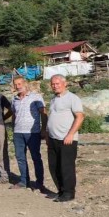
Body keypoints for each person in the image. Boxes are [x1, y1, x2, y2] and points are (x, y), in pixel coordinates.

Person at [47, 74, 84, 202]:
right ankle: (61, 191)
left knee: (66, 167)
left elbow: (80, 117)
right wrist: (47, 134)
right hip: (53, 138)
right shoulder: (53, 99)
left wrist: (71, 134)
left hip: (66, 138)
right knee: (54, 166)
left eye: (57, 83)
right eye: (53, 84)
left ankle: (69, 193)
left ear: (65, 83)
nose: (55, 86)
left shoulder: (72, 98)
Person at [11, 77, 48, 191]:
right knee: (20, 157)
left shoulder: (36, 97)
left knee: (36, 157)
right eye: (15, 84)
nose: (18, 86)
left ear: (25, 84)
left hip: (33, 132)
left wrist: (43, 129)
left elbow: (43, 113)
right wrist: (13, 128)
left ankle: (39, 183)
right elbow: (14, 114)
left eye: (20, 84)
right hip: (18, 133)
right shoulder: (14, 99)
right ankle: (24, 181)